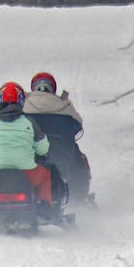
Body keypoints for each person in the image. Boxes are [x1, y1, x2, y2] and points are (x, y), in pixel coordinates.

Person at [0, 81, 52, 208]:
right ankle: (43, 206)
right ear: (21, 101)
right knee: (45, 175)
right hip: (27, 172)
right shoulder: (29, 123)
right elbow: (43, 149)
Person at [23, 71, 91, 199]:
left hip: (31, 158)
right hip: (61, 154)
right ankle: (79, 197)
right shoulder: (64, 105)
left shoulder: (23, 105)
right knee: (78, 159)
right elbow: (78, 125)